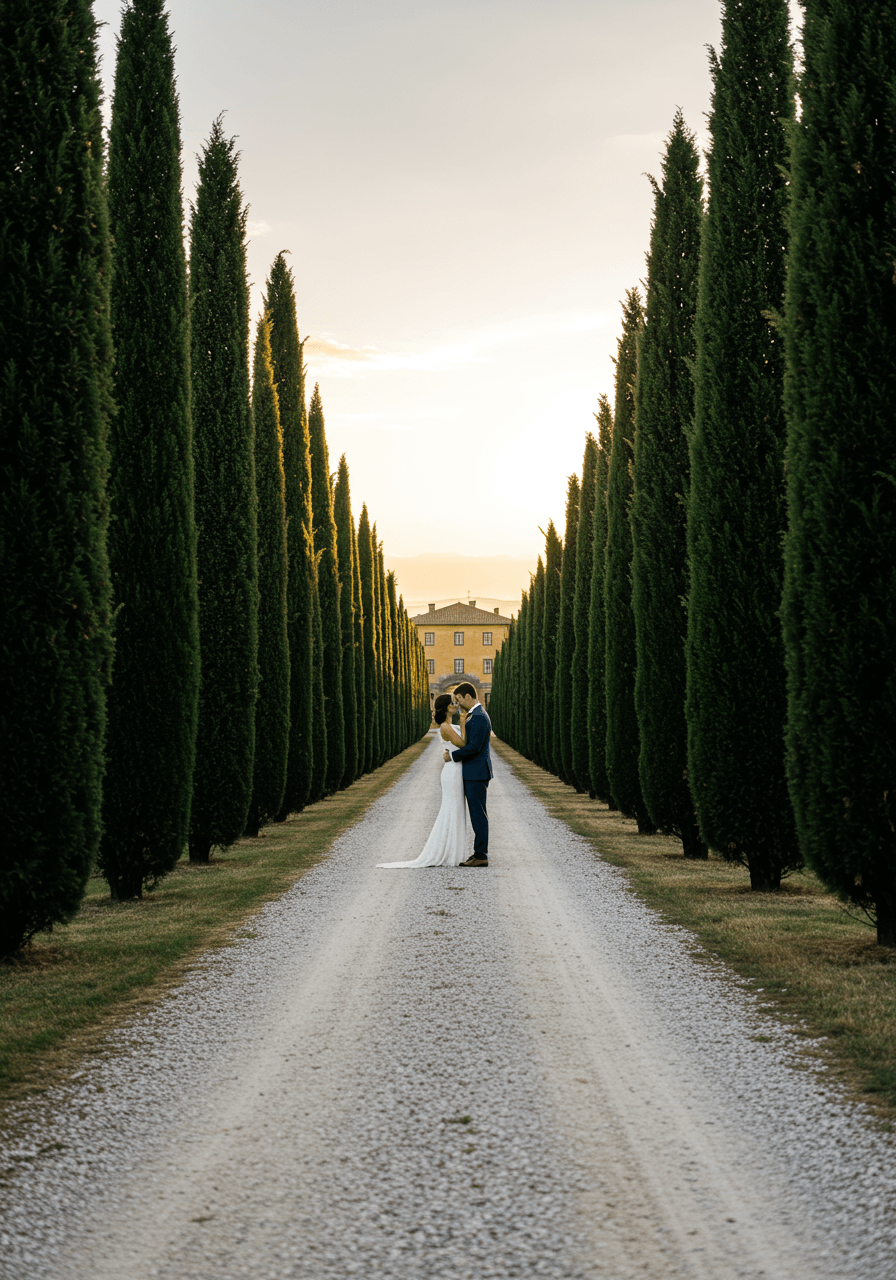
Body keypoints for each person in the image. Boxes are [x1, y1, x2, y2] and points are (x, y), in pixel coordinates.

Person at [376, 694, 469, 868]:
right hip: (452, 773)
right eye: (452, 703)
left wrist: (462, 724)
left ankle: (454, 852)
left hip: (456, 769)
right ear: (446, 707)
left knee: (457, 810)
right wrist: (463, 723)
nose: (455, 705)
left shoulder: (452, 725)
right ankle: (447, 853)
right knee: (451, 810)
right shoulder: (445, 727)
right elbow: (464, 744)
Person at [445, 682, 492, 868]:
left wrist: (452, 756)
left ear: (468, 696)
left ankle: (481, 855)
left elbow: (474, 747)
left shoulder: (479, 716)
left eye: (459, 699)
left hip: (477, 772)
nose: (459, 703)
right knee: (477, 814)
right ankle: (478, 852)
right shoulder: (475, 715)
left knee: (478, 815)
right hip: (474, 771)